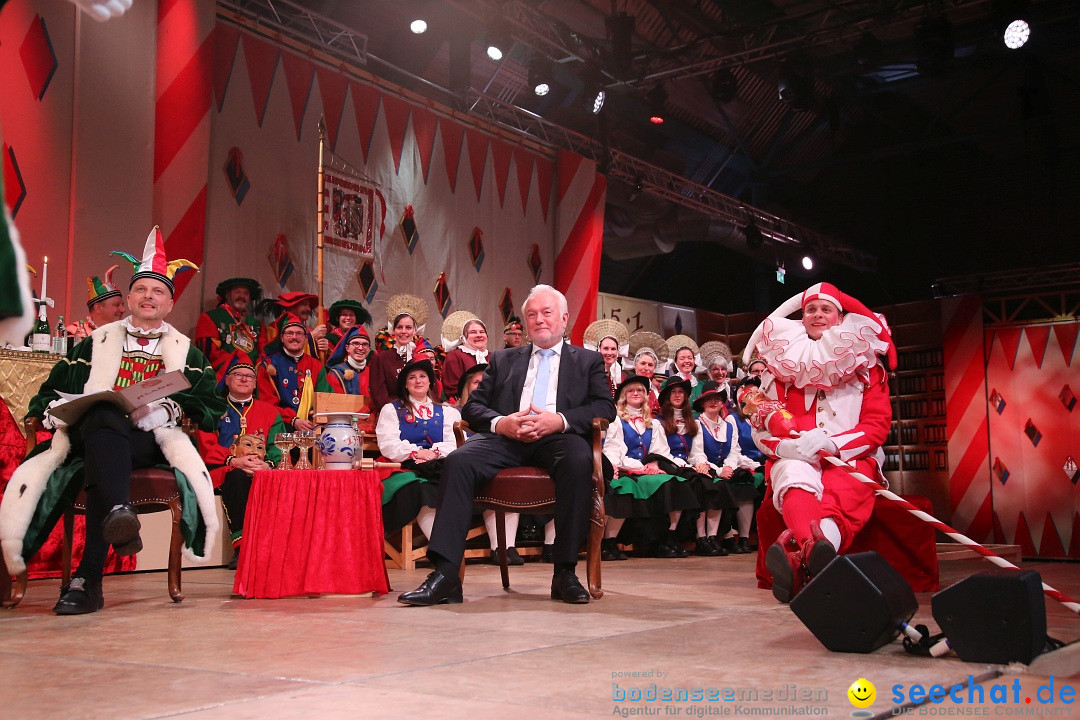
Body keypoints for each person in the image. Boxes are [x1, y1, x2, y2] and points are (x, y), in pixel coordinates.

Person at [0, 226, 225, 614]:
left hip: (149, 442)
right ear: (130, 297)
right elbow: (51, 392)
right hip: (92, 432)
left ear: (170, 304)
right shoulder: (96, 341)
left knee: (106, 458)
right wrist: (55, 412)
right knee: (104, 413)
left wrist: (167, 410)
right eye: (141, 289)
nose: (148, 297)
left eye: (158, 292)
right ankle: (111, 533)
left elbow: (210, 406)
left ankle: (91, 576)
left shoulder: (187, 352)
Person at [398, 285, 616, 606]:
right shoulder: (503, 358)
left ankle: (565, 572)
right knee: (459, 460)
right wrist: (503, 422)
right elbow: (474, 407)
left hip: (559, 438)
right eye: (532, 315)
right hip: (506, 437)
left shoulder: (587, 360)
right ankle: (445, 576)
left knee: (579, 461)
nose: (539, 320)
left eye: (547, 313)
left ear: (564, 318)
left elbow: (604, 408)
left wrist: (559, 420)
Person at [742, 282, 895, 603]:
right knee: (790, 473)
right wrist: (782, 449)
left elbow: (877, 428)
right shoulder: (778, 367)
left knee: (839, 491)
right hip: (794, 455)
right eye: (811, 309)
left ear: (840, 318)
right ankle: (813, 551)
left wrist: (833, 443)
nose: (817, 315)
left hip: (852, 458)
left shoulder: (867, 366)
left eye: (826, 309)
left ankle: (800, 561)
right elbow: (763, 425)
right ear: (802, 317)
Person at [196, 359, 285, 570]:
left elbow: (278, 445)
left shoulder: (270, 411)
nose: (244, 379)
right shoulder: (213, 409)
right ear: (227, 381)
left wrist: (268, 465)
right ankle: (243, 548)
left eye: (249, 376)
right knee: (237, 477)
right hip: (225, 468)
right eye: (238, 375)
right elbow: (206, 444)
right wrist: (234, 460)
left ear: (255, 384)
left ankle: (277, 548)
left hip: (261, 470)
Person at [603, 375, 697, 559]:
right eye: (631, 390)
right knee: (623, 488)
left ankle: (667, 538)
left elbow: (659, 450)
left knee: (677, 483)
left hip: (645, 471)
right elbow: (613, 450)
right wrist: (635, 467)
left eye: (640, 390)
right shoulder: (616, 420)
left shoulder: (653, 423)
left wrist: (654, 463)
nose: (636, 393)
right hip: (624, 469)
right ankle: (608, 542)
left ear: (646, 395)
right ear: (624, 396)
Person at [375, 359, 459, 543]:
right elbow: (387, 443)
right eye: (412, 378)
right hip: (401, 467)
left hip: (438, 466)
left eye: (423, 376)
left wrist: (435, 453)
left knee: (451, 486)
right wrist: (416, 453)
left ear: (430, 382)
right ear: (405, 384)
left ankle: (446, 545)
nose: (418, 381)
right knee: (420, 489)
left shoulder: (447, 411)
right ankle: (440, 546)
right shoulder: (391, 409)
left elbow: (455, 442)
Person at [688, 381, 754, 555]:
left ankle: (743, 537)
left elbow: (734, 452)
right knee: (710, 486)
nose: (713, 402)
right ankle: (705, 538)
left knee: (745, 483)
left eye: (717, 399)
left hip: (725, 468)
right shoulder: (697, 424)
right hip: (706, 468)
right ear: (702, 403)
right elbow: (697, 453)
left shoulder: (729, 426)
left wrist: (729, 468)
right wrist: (718, 471)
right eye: (709, 399)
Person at [256, 314, 324, 432]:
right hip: (280, 426)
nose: (294, 337)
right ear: (282, 338)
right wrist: (293, 420)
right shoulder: (268, 365)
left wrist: (318, 412)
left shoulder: (316, 366)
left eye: (299, 333)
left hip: (311, 427)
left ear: (305, 338)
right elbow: (266, 403)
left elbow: (325, 397)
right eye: (289, 333)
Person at [368, 294, 436, 411]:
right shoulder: (382, 359)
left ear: (415, 330)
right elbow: (379, 395)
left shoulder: (422, 358)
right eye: (399, 327)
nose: (404, 331)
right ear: (393, 330)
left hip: (421, 412)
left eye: (408, 327)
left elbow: (431, 389)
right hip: (393, 413)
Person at [194, 277, 263, 381]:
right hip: (221, 379)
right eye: (237, 292)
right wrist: (240, 363)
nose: (242, 296)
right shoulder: (210, 317)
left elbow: (263, 353)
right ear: (227, 295)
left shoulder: (257, 324)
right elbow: (209, 353)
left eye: (246, 293)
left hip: (252, 379)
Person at [315, 325, 375, 434]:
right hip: (343, 428)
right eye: (355, 343)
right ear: (347, 348)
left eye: (365, 344)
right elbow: (335, 407)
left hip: (370, 427)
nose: (360, 348)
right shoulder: (336, 373)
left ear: (369, 349)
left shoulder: (374, 373)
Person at [257, 291, 328, 357]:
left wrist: (323, 347)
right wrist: (311, 337)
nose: (309, 309)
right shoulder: (274, 329)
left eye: (308, 305)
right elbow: (283, 354)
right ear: (292, 307)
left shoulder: (308, 329)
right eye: (304, 304)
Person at [70, 265, 128, 340]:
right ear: (98, 308)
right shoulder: (75, 333)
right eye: (117, 305)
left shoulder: (126, 337)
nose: (123, 309)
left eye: (122, 305)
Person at [440, 314, 489, 405]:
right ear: (463, 338)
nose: (479, 335)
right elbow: (452, 388)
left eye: (482, 332)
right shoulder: (455, 356)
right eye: (473, 332)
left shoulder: (492, 356)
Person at [583, 318, 628, 398]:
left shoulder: (621, 377)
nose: (609, 353)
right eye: (606, 348)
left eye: (613, 349)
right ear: (598, 350)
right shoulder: (589, 373)